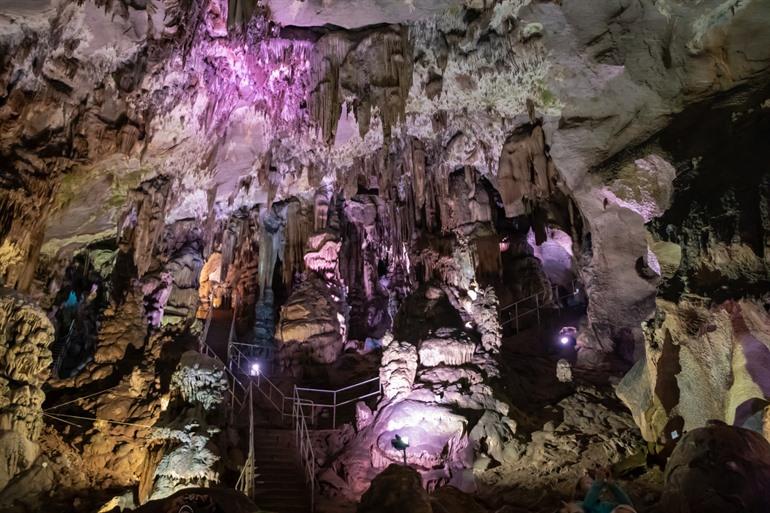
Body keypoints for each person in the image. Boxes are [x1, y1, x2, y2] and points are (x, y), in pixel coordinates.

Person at [559, 468, 636, 513]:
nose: (592, 484)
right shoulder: (579, 504)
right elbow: (588, 504)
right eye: (588, 482)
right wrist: (603, 482)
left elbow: (628, 505)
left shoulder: (603, 505)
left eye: (592, 482)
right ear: (579, 491)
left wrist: (609, 484)